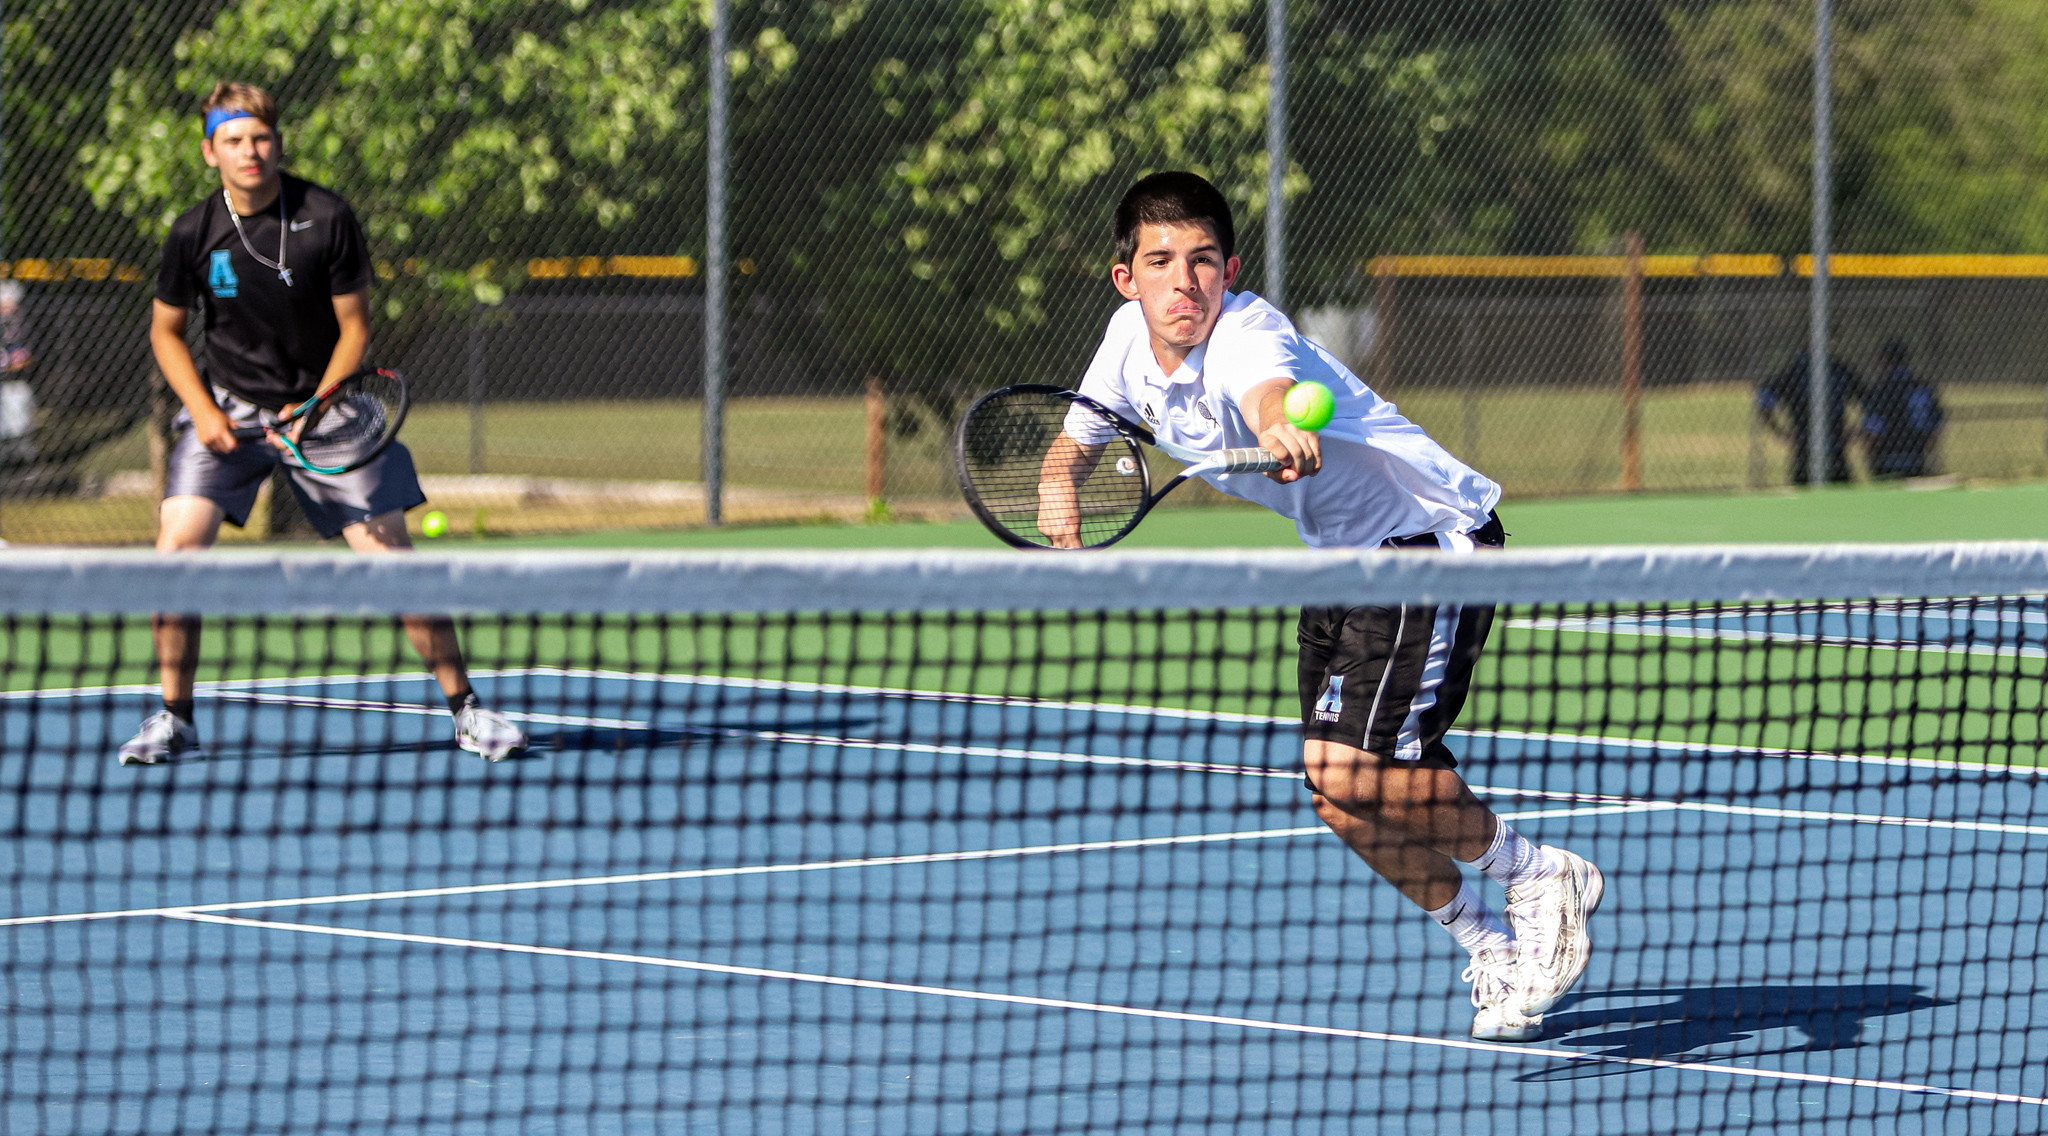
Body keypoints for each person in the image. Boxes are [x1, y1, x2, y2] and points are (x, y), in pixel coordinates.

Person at [1039, 171, 1603, 1042]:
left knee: (1359, 769)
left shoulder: (1247, 333)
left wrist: (1276, 429)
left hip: (1426, 540)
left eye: (1201, 262)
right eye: (1161, 263)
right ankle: (1486, 938)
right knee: (1335, 795)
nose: (1183, 282)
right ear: (1129, 279)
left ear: (1227, 269)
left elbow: (1269, 393)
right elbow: (1074, 441)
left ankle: (1534, 875)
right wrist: (1057, 491)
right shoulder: (1123, 344)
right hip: (1344, 558)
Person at [121, 81, 527, 766]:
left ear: (277, 143)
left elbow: (354, 328)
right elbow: (166, 333)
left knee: (392, 558)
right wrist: (204, 412)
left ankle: (468, 711)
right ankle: (174, 719)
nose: (250, 152)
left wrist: (311, 410)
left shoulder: (325, 216)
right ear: (209, 151)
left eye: (260, 138)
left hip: (328, 403)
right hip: (231, 408)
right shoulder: (193, 231)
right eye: (233, 140)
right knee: (175, 554)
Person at [1757, 347, 1865, 484]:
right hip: (1805, 450)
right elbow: (1765, 398)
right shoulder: (1796, 371)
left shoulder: (1838, 369)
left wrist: (1856, 430)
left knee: (1840, 496)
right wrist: (1781, 432)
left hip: (1836, 450)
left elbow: (1869, 398)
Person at [1861, 339, 1943, 479]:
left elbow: (1874, 432)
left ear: (1884, 360)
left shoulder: (1880, 390)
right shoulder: (1922, 387)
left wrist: (1870, 459)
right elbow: (1936, 428)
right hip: (1917, 458)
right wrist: (1932, 459)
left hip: (1887, 461)